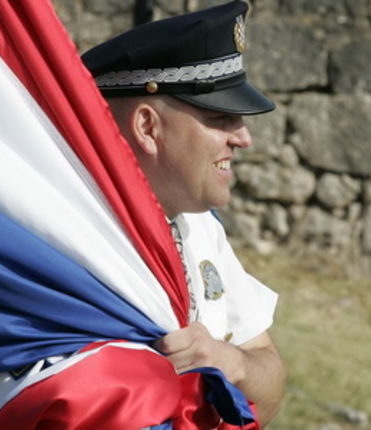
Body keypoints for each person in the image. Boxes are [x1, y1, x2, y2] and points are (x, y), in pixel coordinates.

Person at [81, 0, 286, 424]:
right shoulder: (72, 237)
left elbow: (268, 378)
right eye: (220, 118)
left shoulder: (199, 226)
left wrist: (232, 362)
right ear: (147, 128)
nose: (244, 138)